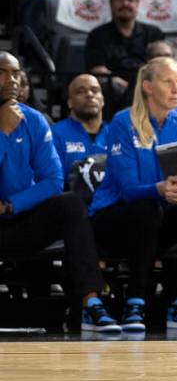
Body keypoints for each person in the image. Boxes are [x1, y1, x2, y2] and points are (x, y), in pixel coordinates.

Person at [89, 57, 177, 332]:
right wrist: (159, 189)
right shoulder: (124, 122)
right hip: (114, 218)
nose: (176, 89)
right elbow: (127, 189)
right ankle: (135, 300)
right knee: (147, 208)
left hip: (158, 217)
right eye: (168, 82)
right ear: (147, 86)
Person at [0, 53, 119, 332]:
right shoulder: (13, 123)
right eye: (3, 72)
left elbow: (52, 180)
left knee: (70, 204)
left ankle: (91, 304)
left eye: (16, 73)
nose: (12, 79)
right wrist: (4, 133)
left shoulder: (34, 120)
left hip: (19, 218)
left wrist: (9, 206)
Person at [84, 0, 165, 98]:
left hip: (150, 91)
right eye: (119, 0)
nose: (125, 4)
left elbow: (163, 66)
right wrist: (130, 90)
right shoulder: (97, 35)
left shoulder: (154, 33)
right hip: (112, 93)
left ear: (137, 4)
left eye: (130, 0)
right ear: (111, 4)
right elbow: (98, 70)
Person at [51, 73, 109, 180]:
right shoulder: (56, 134)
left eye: (95, 90)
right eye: (81, 91)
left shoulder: (116, 134)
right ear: (70, 102)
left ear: (103, 100)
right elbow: (53, 181)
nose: (90, 95)